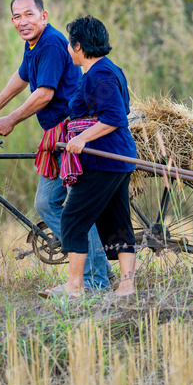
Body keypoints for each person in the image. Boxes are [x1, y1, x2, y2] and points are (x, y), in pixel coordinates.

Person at [0, 0, 111, 292]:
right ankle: (97, 271)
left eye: (29, 15)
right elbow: (22, 77)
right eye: (17, 17)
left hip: (69, 133)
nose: (23, 22)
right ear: (12, 21)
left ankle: (94, 279)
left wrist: (10, 119)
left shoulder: (49, 42)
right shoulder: (33, 44)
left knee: (60, 204)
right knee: (53, 203)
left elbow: (45, 94)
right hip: (56, 133)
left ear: (44, 16)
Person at [41, 15, 137, 300]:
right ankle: (127, 286)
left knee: (72, 220)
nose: (69, 50)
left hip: (103, 159)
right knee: (117, 221)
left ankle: (75, 286)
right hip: (118, 157)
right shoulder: (109, 69)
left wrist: (82, 137)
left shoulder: (101, 74)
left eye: (71, 45)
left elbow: (115, 116)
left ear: (79, 46)